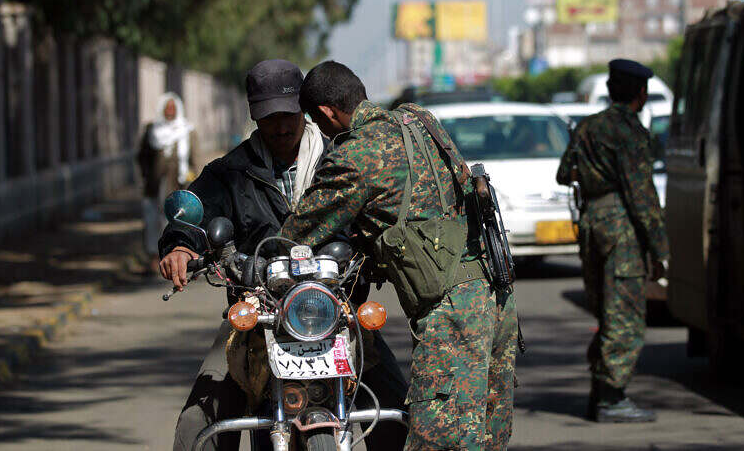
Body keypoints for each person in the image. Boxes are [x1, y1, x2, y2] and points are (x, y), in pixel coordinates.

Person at [158, 59, 408, 451]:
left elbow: (387, 209)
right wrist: (181, 243)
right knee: (197, 424)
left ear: (303, 111)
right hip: (259, 314)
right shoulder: (233, 171)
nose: (279, 126)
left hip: (336, 310)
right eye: (268, 116)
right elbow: (195, 208)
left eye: (287, 114)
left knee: (399, 410)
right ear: (255, 116)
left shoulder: (342, 159)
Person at [281, 61, 521, 450]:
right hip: (494, 296)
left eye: (316, 121)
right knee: (484, 436)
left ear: (326, 113)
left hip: (452, 316)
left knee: (438, 440)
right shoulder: (419, 119)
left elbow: (297, 233)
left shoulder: (355, 157)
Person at [556, 59, 669, 423]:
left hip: (592, 225)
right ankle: (611, 398)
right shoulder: (629, 131)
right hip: (621, 229)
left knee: (605, 311)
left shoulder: (588, 127)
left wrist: (590, 175)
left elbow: (563, 174)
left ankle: (600, 393)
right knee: (625, 315)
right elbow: (642, 195)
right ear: (641, 93)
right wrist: (660, 249)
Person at [137, 92, 198, 274]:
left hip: (177, 189)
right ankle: (153, 258)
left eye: (173, 109)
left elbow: (194, 160)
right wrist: (148, 175)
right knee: (152, 222)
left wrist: (191, 178)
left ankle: (173, 257)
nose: (170, 112)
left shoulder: (187, 131)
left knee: (175, 222)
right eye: (167, 109)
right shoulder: (152, 131)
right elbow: (141, 157)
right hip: (154, 188)